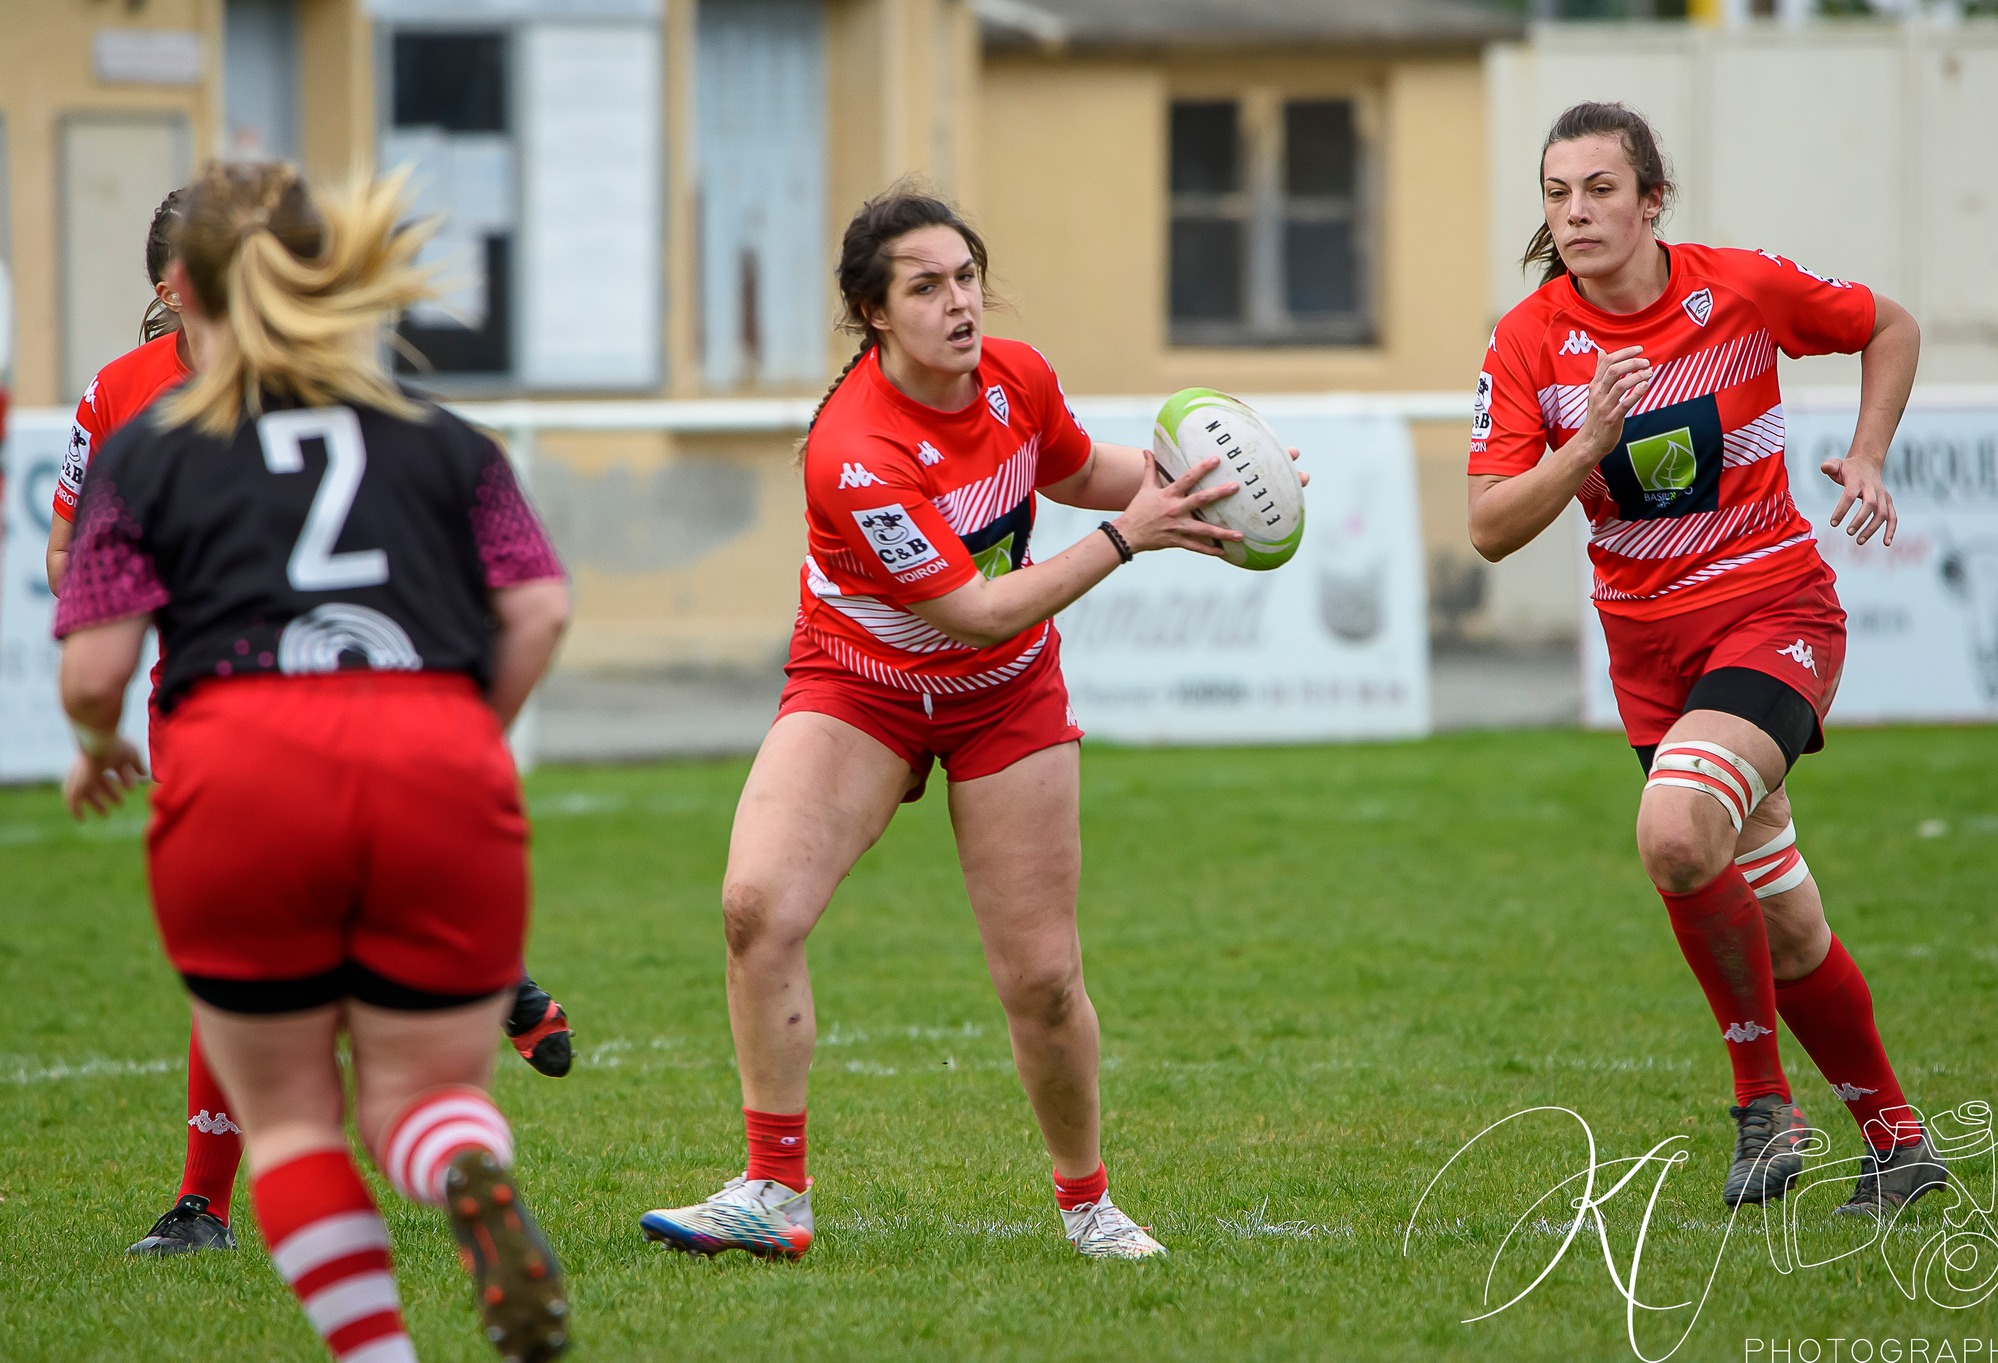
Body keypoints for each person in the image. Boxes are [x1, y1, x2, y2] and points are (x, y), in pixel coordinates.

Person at [640, 189, 1298, 1262]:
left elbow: (1082, 471)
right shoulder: (855, 453)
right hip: (862, 688)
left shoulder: (1017, 378)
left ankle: (1086, 1201)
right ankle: (772, 1188)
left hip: (1005, 695)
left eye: (965, 277)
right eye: (925, 286)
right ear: (872, 314)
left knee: (1040, 979)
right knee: (757, 906)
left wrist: (1213, 489)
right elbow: (975, 608)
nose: (958, 303)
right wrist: (1130, 541)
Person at [55, 159, 573, 1362]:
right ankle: (461, 1165)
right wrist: (454, 740)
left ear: (192, 291)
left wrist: (95, 749)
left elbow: (91, 667)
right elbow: (538, 610)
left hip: (237, 766)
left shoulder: (154, 447)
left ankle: (374, 1349)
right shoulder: (445, 440)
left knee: (291, 1119)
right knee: (422, 1095)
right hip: (438, 757)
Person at [1468, 102, 1945, 1215]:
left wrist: (1866, 454)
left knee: (1677, 829)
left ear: (1650, 199)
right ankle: (1897, 1141)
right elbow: (1489, 526)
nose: (1575, 211)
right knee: (1777, 912)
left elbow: (1890, 324)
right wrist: (1580, 444)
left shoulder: (1735, 290)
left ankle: (1761, 1108)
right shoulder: (1528, 341)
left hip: (1773, 613)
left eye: (1597, 188)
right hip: (1649, 662)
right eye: (1555, 193)